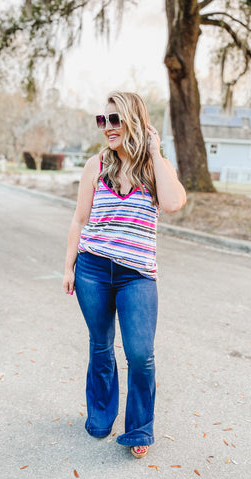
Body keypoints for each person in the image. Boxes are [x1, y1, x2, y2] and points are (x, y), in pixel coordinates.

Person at [62, 91, 186, 458]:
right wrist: (68, 266)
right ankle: (100, 417)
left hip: (138, 276)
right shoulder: (96, 165)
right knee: (100, 346)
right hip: (93, 270)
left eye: (114, 119)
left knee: (140, 353)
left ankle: (139, 430)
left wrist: (155, 150)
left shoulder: (155, 168)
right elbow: (80, 219)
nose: (107, 128)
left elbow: (173, 203)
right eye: (103, 120)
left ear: (134, 120)